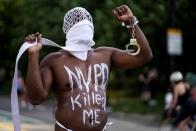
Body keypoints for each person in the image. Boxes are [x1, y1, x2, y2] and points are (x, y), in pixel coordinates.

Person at [24, 5, 152, 131]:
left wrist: (131, 22)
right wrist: (33, 56)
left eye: (86, 19)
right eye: (78, 21)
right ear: (68, 29)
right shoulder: (54, 61)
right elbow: (36, 98)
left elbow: (143, 56)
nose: (83, 22)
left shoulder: (105, 55)